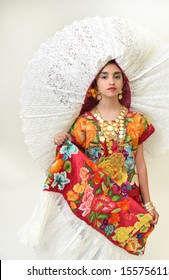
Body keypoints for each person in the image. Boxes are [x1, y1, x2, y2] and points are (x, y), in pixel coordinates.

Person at [43, 59, 159, 258]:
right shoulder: (84, 123)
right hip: (95, 200)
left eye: (116, 76)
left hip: (126, 199)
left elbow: (140, 164)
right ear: (95, 84)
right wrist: (61, 141)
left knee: (116, 258)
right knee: (91, 256)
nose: (111, 81)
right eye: (104, 76)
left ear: (124, 81)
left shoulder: (136, 121)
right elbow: (73, 160)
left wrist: (148, 204)